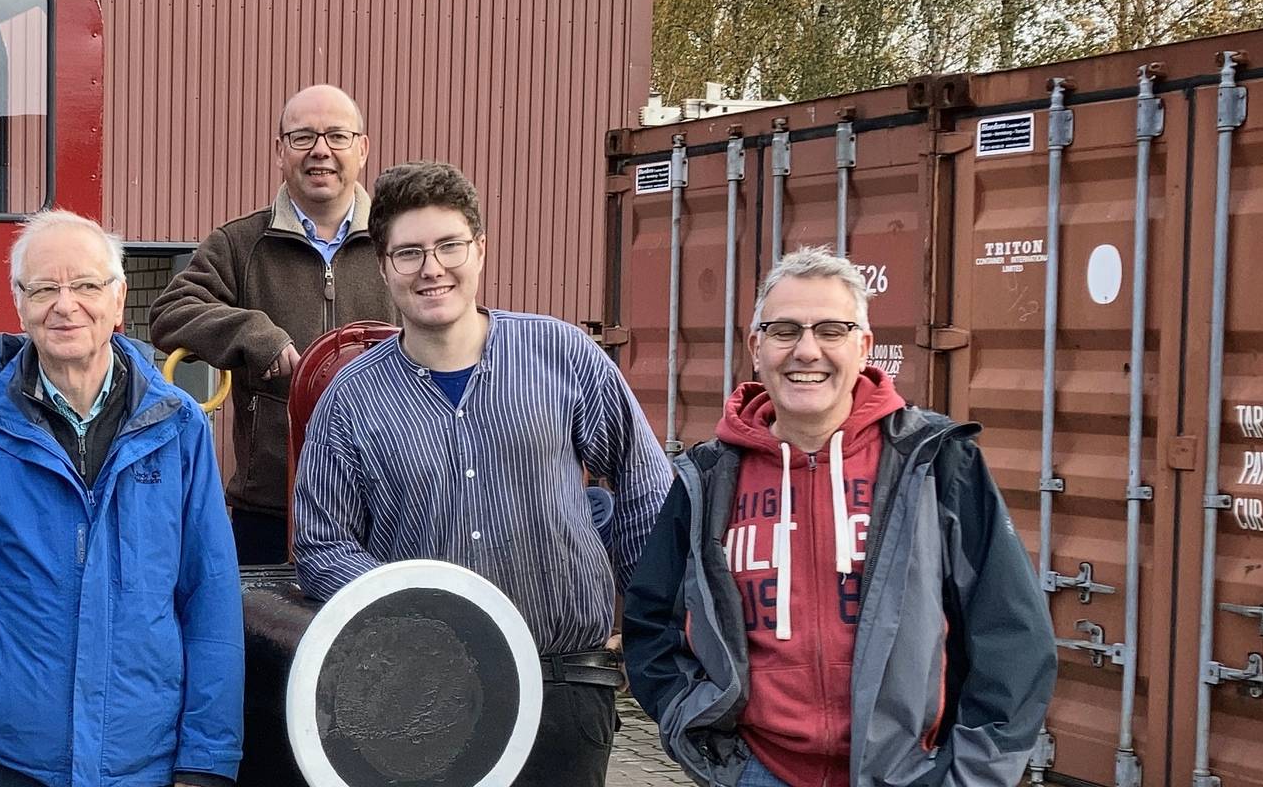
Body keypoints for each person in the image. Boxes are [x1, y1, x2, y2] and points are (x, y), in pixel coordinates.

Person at [290, 161, 672, 787]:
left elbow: (645, 488)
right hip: (423, 697)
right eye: (408, 253)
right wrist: (416, 611)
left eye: (449, 245)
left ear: (481, 249)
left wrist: (644, 620)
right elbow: (321, 545)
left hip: (564, 682)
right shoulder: (351, 399)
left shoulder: (562, 356)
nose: (431, 268)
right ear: (383, 267)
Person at [622, 247, 1054, 787]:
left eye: (831, 330)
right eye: (784, 331)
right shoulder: (707, 478)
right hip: (756, 772)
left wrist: (968, 774)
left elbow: (1013, 635)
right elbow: (651, 622)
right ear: (756, 348)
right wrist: (693, 720)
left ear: (864, 346)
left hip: (912, 773)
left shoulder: (936, 464)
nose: (807, 351)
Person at [0, 209, 243, 787]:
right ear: (20, 304)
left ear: (118, 300)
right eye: (44, 289)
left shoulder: (179, 425)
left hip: (141, 764)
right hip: (1, 760)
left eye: (86, 285)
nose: (65, 305)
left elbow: (209, 597)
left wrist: (206, 762)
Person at [151, 84, 393, 564]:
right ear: (280, 151)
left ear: (362, 149)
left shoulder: (399, 241)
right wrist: (253, 335)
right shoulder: (239, 244)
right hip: (269, 509)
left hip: (387, 500)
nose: (320, 151)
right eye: (303, 137)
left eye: (337, 136)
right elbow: (171, 311)